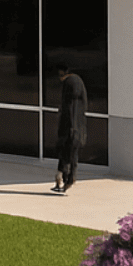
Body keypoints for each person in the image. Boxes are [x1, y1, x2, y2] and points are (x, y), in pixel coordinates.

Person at [51, 61, 87, 193]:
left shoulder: (69, 83)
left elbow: (67, 108)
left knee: (67, 157)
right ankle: (63, 181)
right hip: (76, 130)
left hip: (69, 132)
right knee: (71, 156)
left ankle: (65, 181)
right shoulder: (78, 83)